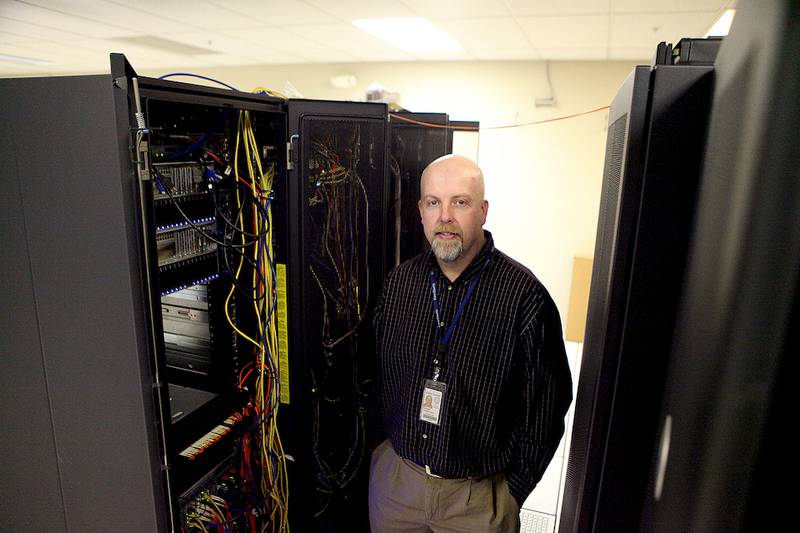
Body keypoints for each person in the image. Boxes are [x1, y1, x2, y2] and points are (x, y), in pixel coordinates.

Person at [368, 154, 573, 532]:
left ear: (482, 210)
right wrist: (383, 455)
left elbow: (548, 404)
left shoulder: (524, 297)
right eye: (434, 202)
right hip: (397, 485)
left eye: (459, 202)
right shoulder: (398, 285)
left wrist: (513, 490)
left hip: (477, 500)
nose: (445, 216)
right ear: (421, 211)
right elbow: (375, 379)